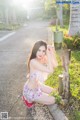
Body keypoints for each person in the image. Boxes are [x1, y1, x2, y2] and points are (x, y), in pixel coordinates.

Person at [22, 40, 58, 108]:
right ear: (35, 50)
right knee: (54, 99)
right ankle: (28, 99)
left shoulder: (41, 58)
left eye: (43, 51)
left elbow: (55, 65)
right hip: (31, 92)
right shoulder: (33, 61)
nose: (41, 53)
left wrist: (52, 52)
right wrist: (47, 53)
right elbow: (50, 70)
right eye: (39, 50)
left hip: (38, 85)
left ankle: (41, 97)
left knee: (55, 92)